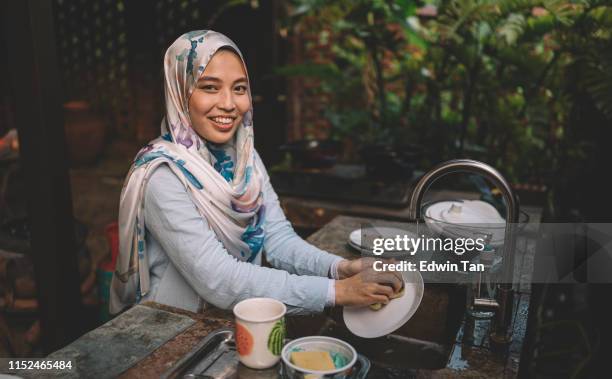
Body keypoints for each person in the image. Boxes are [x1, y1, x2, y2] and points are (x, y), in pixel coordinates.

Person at [109, 30, 401, 315]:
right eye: (210, 87)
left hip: (246, 314)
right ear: (179, 91)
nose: (228, 103)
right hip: (175, 324)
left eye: (239, 88)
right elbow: (219, 279)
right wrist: (337, 292)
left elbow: (276, 239)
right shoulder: (162, 174)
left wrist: (338, 268)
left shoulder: (244, 157)